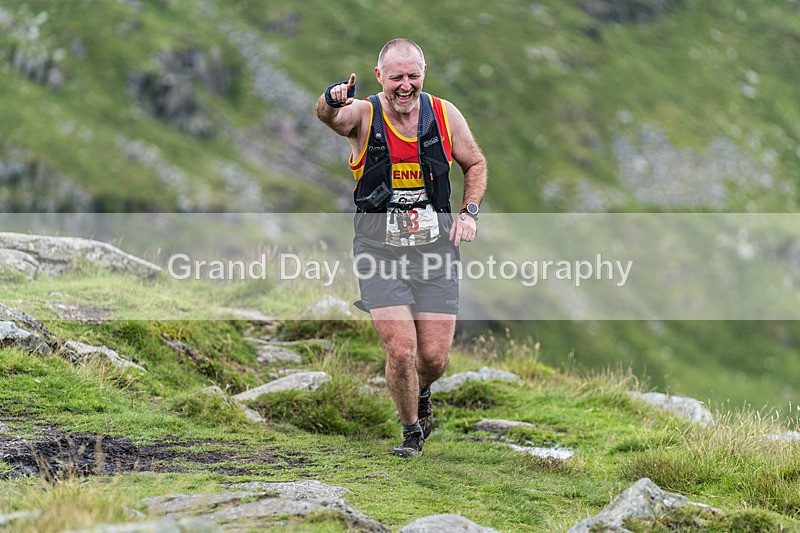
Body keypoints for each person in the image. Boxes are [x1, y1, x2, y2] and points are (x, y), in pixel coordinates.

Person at [315, 38, 487, 457]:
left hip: (436, 253)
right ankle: (412, 433)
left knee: (434, 359)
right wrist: (331, 99)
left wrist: (469, 212)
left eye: (413, 76)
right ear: (379, 77)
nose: (405, 86)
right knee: (402, 350)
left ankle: (420, 392)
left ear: (423, 74)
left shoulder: (444, 114)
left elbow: (475, 163)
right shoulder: (363, 114)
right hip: (379, 254)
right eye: (396, 78)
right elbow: (329, 116)